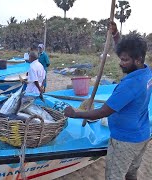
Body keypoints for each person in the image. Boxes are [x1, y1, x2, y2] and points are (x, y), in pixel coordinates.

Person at [64, 22, 151, 180]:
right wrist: (116, 35)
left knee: (114, 176)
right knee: (131, 173)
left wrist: (75, 113)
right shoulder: (146, 71)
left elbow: (103, 112)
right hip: (142, 135)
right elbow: (125, 52)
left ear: (137, 60)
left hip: (125, 141)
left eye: (124, 60)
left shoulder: (130, 85)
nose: (120, 63)